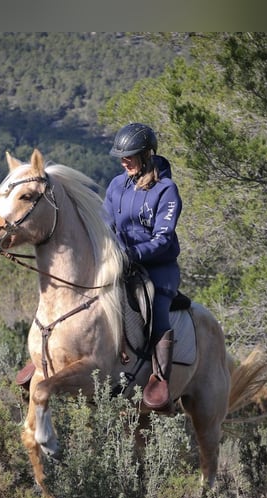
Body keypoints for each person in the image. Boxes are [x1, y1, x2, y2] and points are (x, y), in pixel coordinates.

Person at [102, 123, 183, 410]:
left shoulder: (166, 190)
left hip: (158, 268)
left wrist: (131, 254)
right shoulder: (116, 185)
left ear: (147, 154)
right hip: (122, 262)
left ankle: (160, 381)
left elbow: (163, 239)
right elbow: (107, 225)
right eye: (121, 157)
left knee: (158, 310)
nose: (124, 161)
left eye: (130, 156)